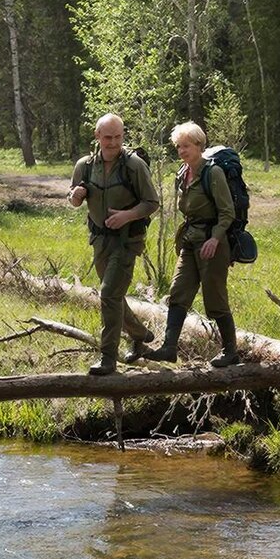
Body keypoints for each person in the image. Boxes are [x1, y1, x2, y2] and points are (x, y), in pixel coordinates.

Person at [143, 121, 242, 368]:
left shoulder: (213, 173)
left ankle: (231, 351)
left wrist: (215, 238)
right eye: (178, 147)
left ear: (199, 145)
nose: (182, 151)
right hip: (189, 242)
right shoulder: (182, 173)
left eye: (186, 146)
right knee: (178, 293)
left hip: (212, 244)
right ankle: (169, 348)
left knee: (215, 298)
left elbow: (227, 212)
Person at [68, 113, 159, 376]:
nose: (113, 142)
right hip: (99, 241)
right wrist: (75, 196)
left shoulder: (134, 165)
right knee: (114, 296)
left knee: (108, 294)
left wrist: (126, 216)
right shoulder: (84, 165)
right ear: (97, 137)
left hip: (127, 241)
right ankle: (140, 335)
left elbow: (152, 203)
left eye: (118, 137)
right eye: (108, 137)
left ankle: (107, 358)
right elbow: (74, 200)